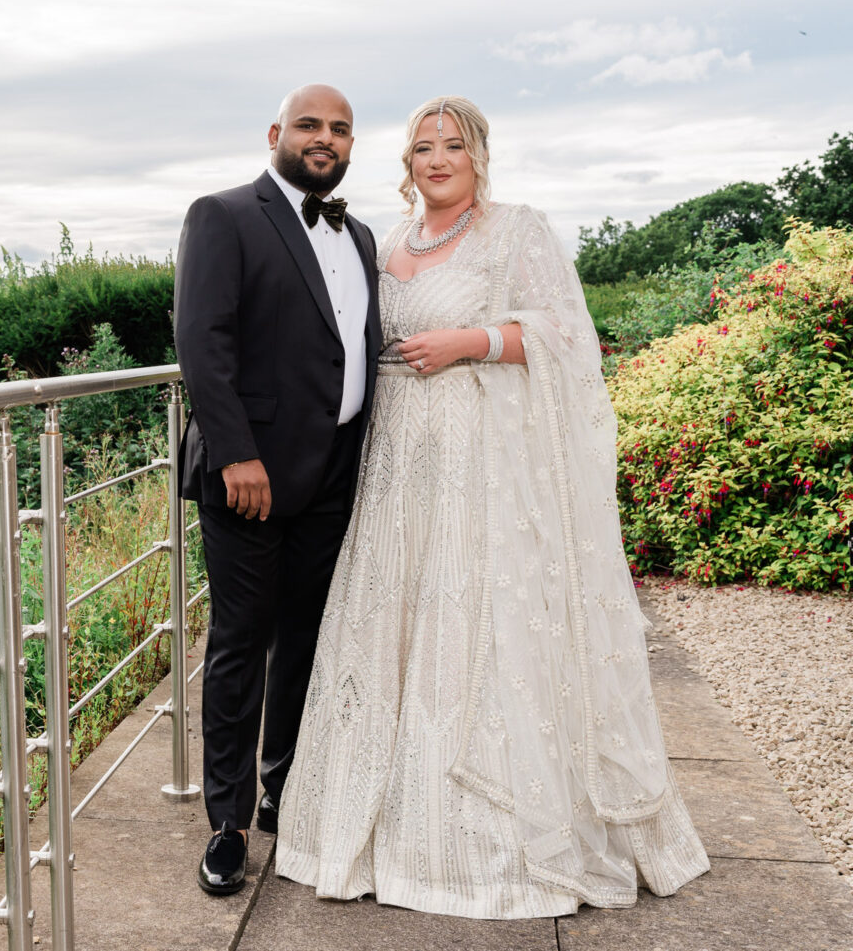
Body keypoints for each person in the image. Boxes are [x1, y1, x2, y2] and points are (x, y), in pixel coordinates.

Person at [274, 96, 710, 917]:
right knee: (388, 626)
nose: (436, 159)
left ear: (478, 156)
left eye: (452, 146)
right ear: (405, 163)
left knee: (473, 627)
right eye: (422, 148)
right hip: (397, 464)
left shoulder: (517, 231)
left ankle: (484, 840)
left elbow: (567, 336)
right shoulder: (387, 241)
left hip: (480, 465)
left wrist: (470, 341)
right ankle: (371, 819)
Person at [173, 83, 381, 896]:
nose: (324, 138)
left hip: (333, 473)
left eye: (339, 128)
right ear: (276, 134)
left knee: (307, 640)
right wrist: (235, 454)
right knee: (239, 643)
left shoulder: (359, 235)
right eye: (309, 125)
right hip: (249, 476)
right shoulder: (223, 215)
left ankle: (281, 790)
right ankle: (226, 824)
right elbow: (202, 337)